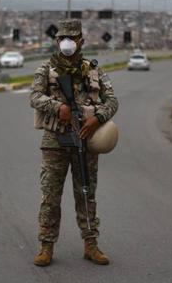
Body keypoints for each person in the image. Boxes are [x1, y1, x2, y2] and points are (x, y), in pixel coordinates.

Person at [29, 19, 119, 266]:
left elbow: (112, 101)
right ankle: (46, 246)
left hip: (85, 139)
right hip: (55, 140)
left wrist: (96, 119)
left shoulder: (94, 71)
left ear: (81, 41)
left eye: (71, 38)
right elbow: (34, 97)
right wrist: (58, 108)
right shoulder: (45, 70)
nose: (66, 42)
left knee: (86, 194)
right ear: (57, 41)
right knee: (50, 196)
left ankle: (91, 244)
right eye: (61, 38)